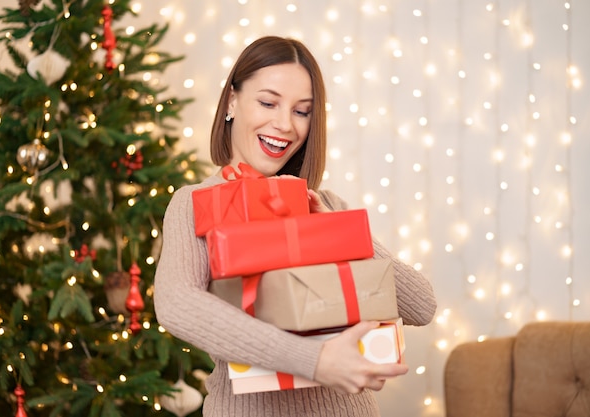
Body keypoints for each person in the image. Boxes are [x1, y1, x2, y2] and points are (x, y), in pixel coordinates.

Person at [154, 36, 437, 417]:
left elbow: (421, 305)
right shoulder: (194, 203)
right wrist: (315, 360)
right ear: (232, 101)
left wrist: (337, 232)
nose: (285, 124)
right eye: (268, 102)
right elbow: (176, 304)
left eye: (302, 111)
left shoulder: (326, 204)